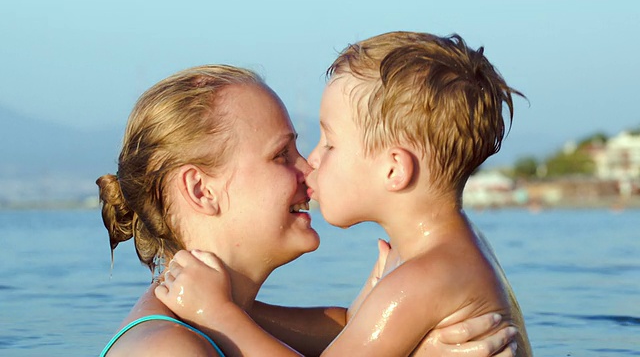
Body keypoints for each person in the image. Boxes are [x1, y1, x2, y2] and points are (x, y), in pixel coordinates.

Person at [98, 64, 517, 356]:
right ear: (201, 189)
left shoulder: (221, 317)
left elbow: (344, 331)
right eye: (282, 155)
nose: (310, 166)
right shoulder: (170, 350)